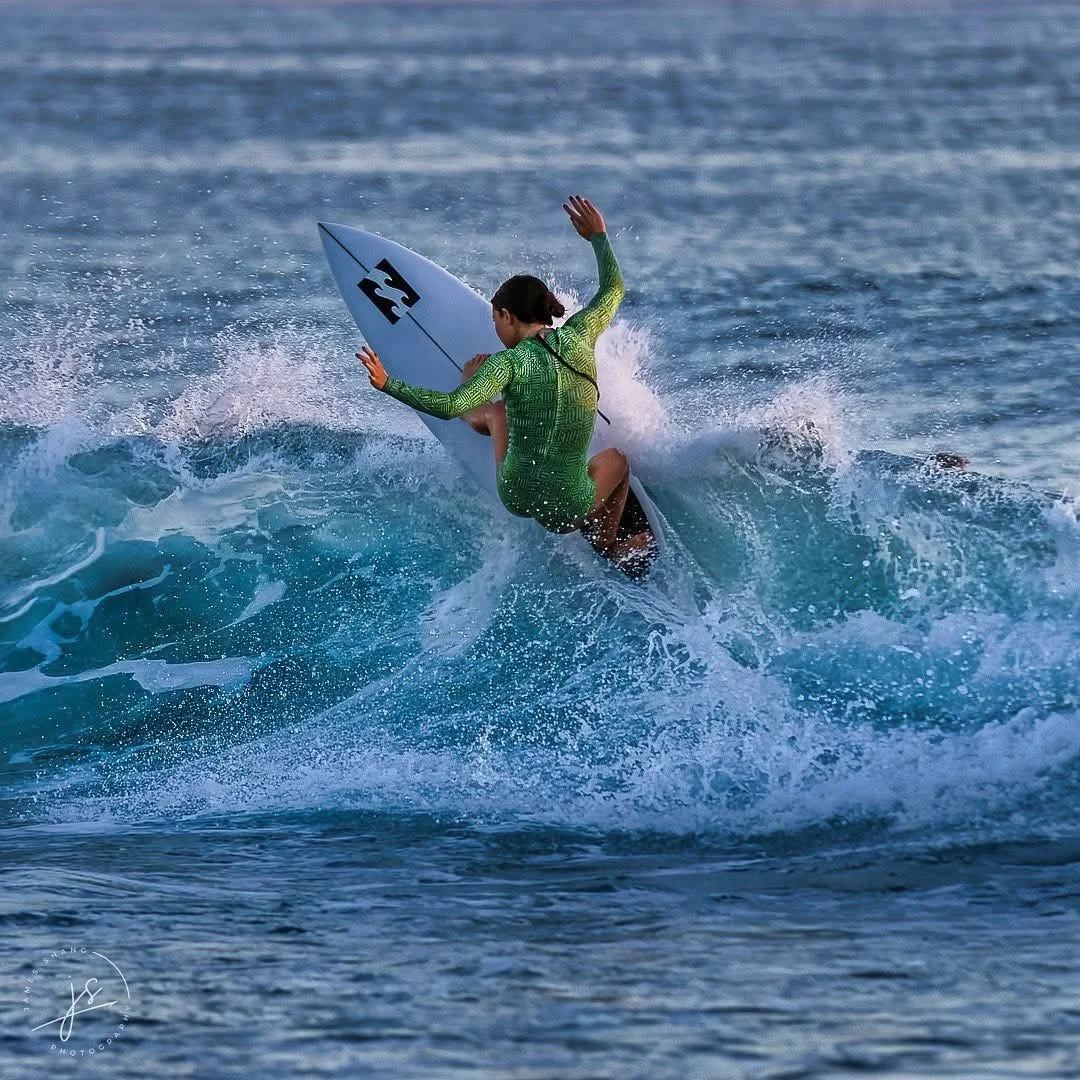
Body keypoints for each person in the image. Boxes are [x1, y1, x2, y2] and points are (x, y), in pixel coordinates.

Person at [356, 195, 653, 571]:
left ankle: (480, 417)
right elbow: (614, 289)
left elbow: (449, 406)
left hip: (517, 494)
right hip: (567, 509)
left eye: (495, 319)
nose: (493, 327)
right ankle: (609, 544)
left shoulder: (507, 363)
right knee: (618, 461)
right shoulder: (581, 335)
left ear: (507, 316)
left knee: (497, 413)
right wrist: (599, 237)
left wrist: (388, 384)